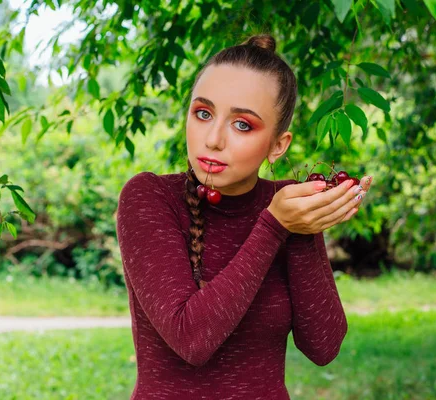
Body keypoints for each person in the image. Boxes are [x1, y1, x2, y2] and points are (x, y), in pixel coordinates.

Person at [116, 33, 373, 400]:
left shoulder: (287, 205)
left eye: (242, 125)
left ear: (277, 145)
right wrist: (274, 227)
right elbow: (191, 339)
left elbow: (323, 345)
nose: (214, 139)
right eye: (203, 113)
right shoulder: (150, 198)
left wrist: (298, 228)